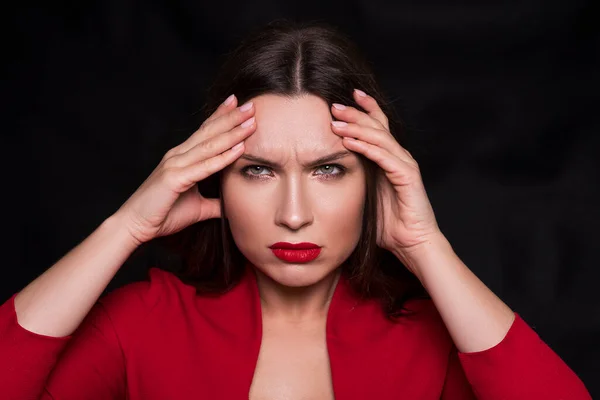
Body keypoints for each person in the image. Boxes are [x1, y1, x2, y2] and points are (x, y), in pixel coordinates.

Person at [0, 19, 592, 400]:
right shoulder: (141, 326)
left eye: (328, 170)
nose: (292, 214)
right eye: (257, 171)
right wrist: (126, 227)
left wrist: (426, 245)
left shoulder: (431, 345)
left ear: (375, 183)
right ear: (215, 182)